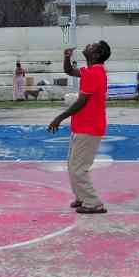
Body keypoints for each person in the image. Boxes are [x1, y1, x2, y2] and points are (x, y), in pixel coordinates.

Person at [48, 41, 112, 215]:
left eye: (93, 46)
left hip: (89, 128)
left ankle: (93, 203)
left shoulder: (95, 73)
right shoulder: (90, 72)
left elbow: (81, 102)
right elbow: (69, 71)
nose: (88, 45)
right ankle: (81, 196)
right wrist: (67, 57)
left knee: (78, 167)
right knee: (73, 164)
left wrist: (59, 118)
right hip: (83, 126)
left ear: (96, 55)